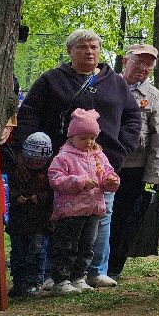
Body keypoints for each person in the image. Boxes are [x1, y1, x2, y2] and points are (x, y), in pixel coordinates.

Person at [16, 28, 141, 289]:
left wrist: (122, 147)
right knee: (62, 219)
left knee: (101, 216)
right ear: (70, 51)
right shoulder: (52, 80)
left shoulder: (115, 82)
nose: (89, 52)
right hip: (64, 165)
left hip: (103, 163)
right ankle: (56, 274)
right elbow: (29, 112)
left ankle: (95, 271)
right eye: (83, 47)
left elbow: (132, 116)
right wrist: (37, 147)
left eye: (94, 47)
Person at [108, 44, 159, 281]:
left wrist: (153, 177)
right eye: (138, 62)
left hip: (133, 169)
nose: (143, 68)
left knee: (124, 218)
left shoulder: (155, 98)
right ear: (125, 62)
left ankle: (114, 267)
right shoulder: (106, 86)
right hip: (102, 164)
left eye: (149, 64)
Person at [46, 109, 121, 294]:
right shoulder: (63, 157)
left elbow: (107, 173)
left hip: (93, 210)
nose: (88, 142)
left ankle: (78, 277)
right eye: (83, 138)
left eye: (92, 138)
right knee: (67, 246)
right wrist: (78, 182)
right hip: (70, 212)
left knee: (87, 246)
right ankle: (61, 280)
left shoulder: (99, 156)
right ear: (72, 137)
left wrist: (111, 181)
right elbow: (55, 179)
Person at [6, 132, 54, 297]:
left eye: (39, 161)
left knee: (37, 251)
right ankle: (19, 283)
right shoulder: (16, 170)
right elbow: (7, 190)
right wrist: (16, 197)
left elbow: (54, 193)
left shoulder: (50, 172)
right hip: (19, 221)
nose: (35, 164)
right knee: (18, 252)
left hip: (40, 222)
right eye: (31, 161)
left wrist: (39, 198)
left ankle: (34, 282)